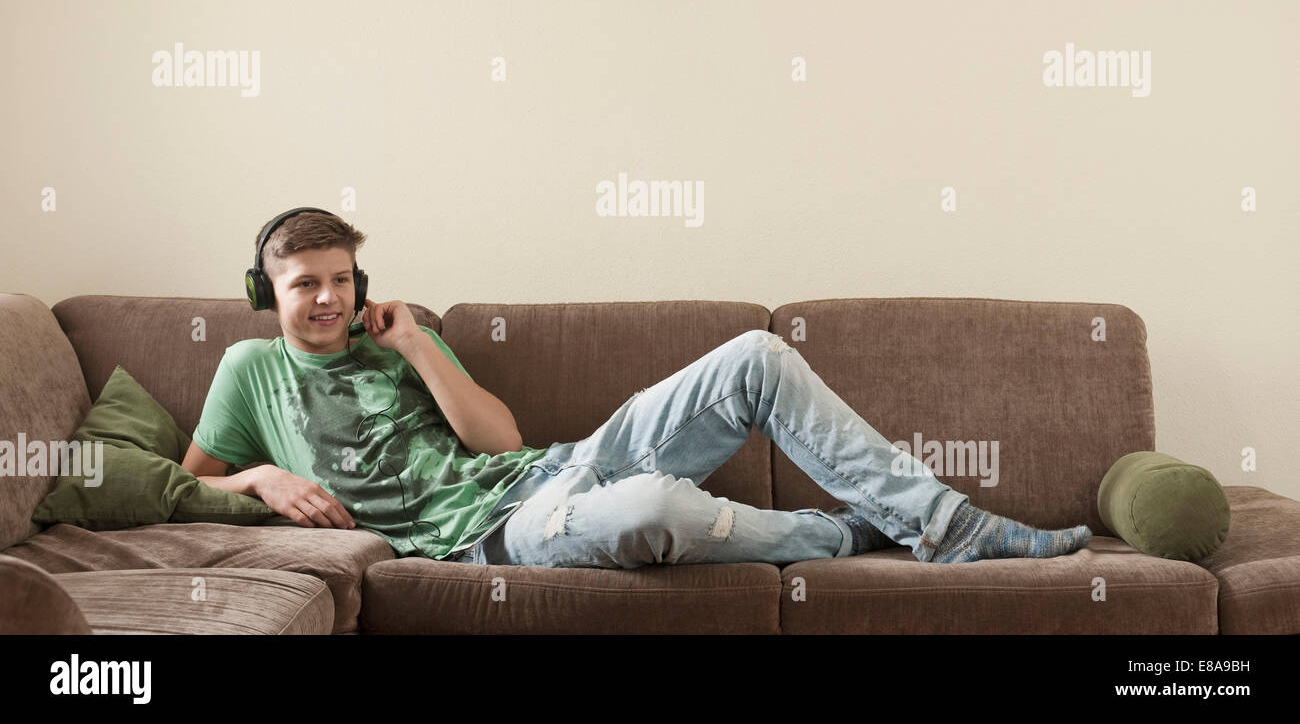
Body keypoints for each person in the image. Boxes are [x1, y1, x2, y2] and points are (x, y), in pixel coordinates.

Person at [183, 208, 1092, 569]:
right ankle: (839, 534)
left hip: (545, 473)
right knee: (655, 507)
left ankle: (947, 526)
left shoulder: (401, 341)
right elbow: (185, 484)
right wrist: (261, 478)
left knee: (757, 355)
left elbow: (499, 443)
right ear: (269, 293)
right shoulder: (249, 371)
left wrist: (419, 344)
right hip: (499, 539)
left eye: (342, 279)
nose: (329, 298)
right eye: (306, 283)